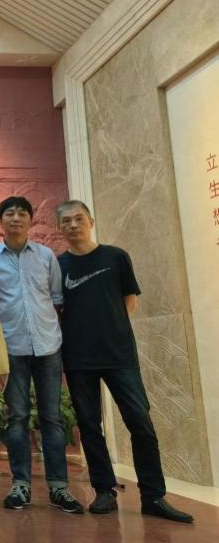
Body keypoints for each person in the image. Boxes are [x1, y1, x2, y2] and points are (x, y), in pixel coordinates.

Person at [55, 200, 193, 523]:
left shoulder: (116, 257)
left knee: (140, 423)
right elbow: (58, 310)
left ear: (91, 221)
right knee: (90, 426)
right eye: (66, 221)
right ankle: (104, 490)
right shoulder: (58, 266)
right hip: (78, 358)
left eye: (79, 219)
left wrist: (110, 329)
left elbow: (129, 301)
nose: (73, 225)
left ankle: (153, 496)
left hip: (120, 356)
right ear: (59, 228)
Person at [0, 196, 83, 514]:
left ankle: (59, 487)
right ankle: (20, 485)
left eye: (22, 213)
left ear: (30, 219)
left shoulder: (46, 255)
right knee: (17, 417)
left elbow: (56, 299)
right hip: (11, 348)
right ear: (0, 221)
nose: (15, 218)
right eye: (9, 213)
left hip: (48, 346)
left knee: (52, 418)